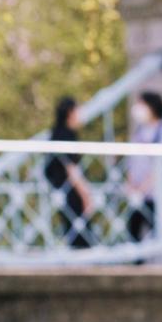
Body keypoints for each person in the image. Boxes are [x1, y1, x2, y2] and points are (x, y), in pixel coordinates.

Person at [44, 96, 95, 249]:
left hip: (62, 191)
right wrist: (86, 195)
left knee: (73, 234)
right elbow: (72, 169)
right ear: (70, 112)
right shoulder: (65, 135)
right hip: (71, 193)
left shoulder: (57, 134)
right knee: (80, 237)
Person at [125, 89, 162, 248]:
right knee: (133, 232)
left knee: (158, 234)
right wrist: (132, 186)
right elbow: (131, 162)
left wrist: (143, 188)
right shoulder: (139, 131)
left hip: (154, 194)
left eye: (141, 104)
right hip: (136, 194)